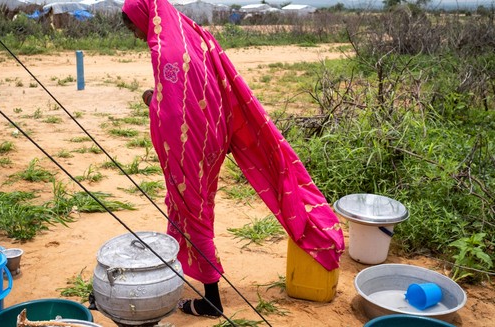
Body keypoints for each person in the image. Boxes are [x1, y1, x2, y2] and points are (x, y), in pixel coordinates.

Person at [121, 0, 345, 318]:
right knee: (187, 209)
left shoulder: (166, 48)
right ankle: (175, 272)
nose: (135, 35)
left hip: (191, 147)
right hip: (211, 137)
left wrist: (151, 100)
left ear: (144, 17)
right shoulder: (190, 34)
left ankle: (212, 299)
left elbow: (174, 112)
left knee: (193, 213)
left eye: (133, 28)